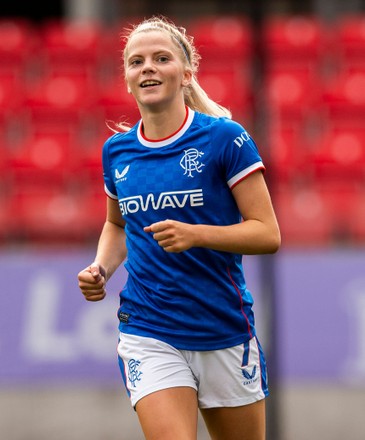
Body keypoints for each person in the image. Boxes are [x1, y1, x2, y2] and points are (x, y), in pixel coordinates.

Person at [78, 15, 280, 440]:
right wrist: (101, 268)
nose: (147, 67)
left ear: (187, 73)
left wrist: (198, 234)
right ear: (128, 79)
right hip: (148, 327)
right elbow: (117, 225)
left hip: (222, 327)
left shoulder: (226, 139)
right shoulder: (117, 152)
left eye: (161, 58)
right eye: (136, 62)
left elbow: (267, 233)